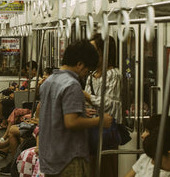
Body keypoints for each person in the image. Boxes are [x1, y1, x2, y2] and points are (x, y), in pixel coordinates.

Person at [39, 40, 113, 176]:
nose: (85, 74)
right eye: (87, 69)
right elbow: (71, 122)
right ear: (80, 64)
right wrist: (100, 120)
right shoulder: (72, 85)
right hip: (68, 157)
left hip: (50, 155)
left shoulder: (48, 82)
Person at [83, 33, 121, 177]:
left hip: (106, 130)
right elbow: (88, 102)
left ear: (104, 51)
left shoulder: (113, 74)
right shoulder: (91, 75)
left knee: (106, 169)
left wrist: (87, 96)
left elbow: (108, 103)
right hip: (91, 126)